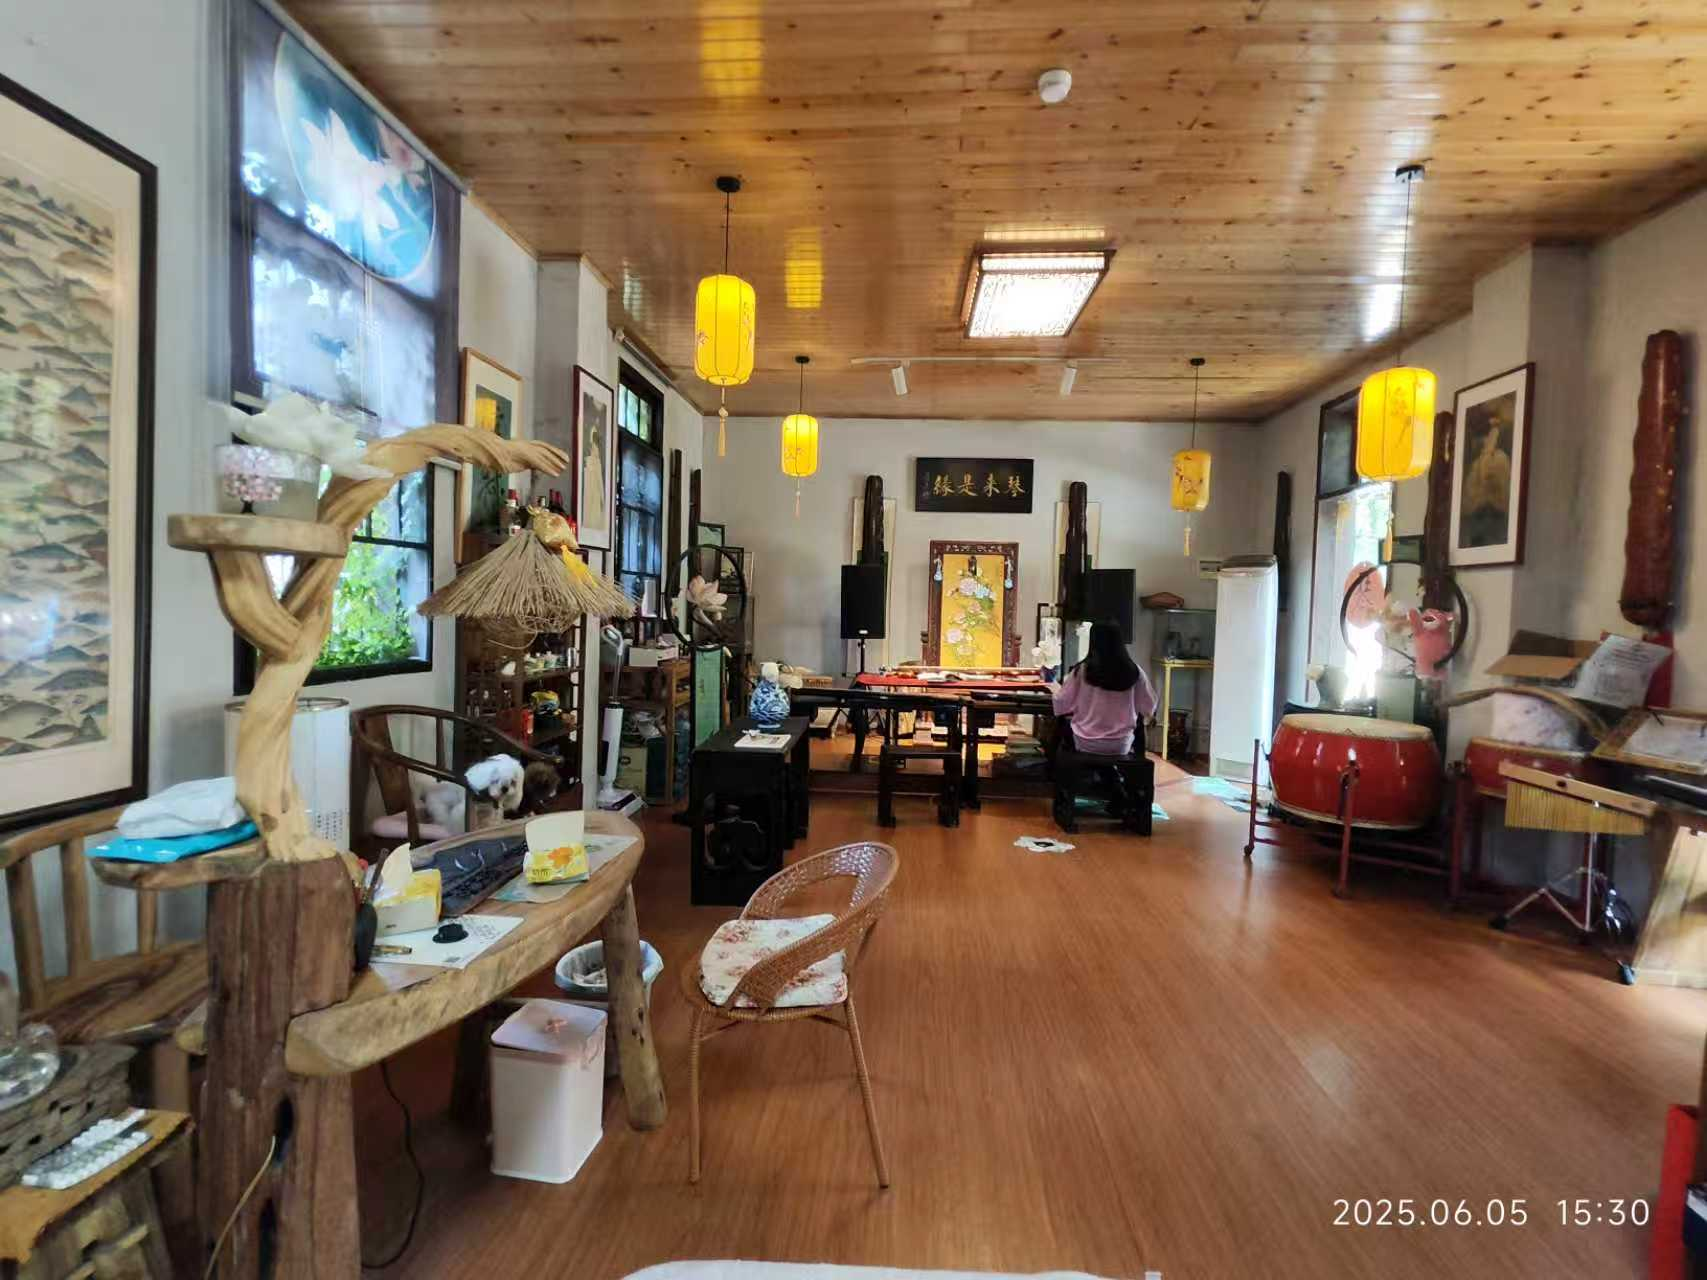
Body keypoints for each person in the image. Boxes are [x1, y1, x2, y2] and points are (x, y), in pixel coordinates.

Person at [1048, 622, 1158, 756]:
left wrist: (1055, 688)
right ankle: (1131, 765)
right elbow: (1149, 706)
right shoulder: (1135, 671)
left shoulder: (1082, 670)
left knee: (1063, 725)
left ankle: (1054, 764)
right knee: (1138, 722)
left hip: (1085, 742)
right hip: (1121, 745)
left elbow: (1062, 703)